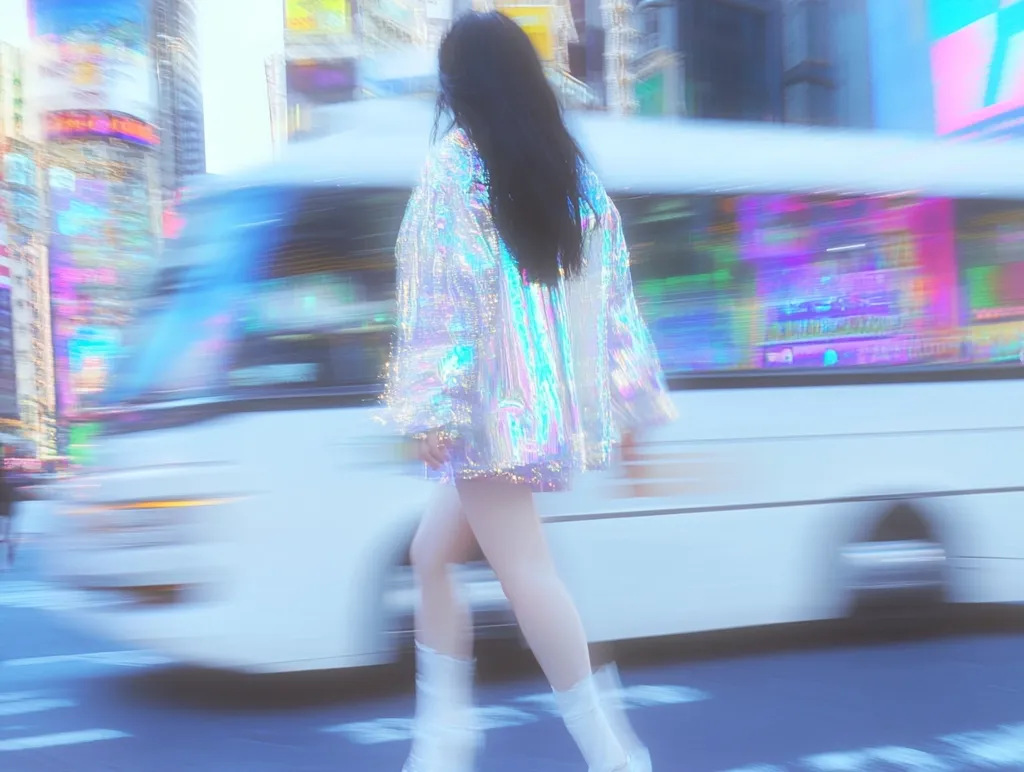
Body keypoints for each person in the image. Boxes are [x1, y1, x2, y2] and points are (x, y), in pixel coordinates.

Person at [383, 11, 676, 772]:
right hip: (538, 407)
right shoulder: (566, 169)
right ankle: (445, 737)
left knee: (526, 573)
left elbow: (439, 294)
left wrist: (433, 407)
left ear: (459, 85)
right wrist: (633, 404)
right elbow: (615, 298)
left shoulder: (455, 166)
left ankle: (610, 752)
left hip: (484, 406)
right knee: (430, 553)